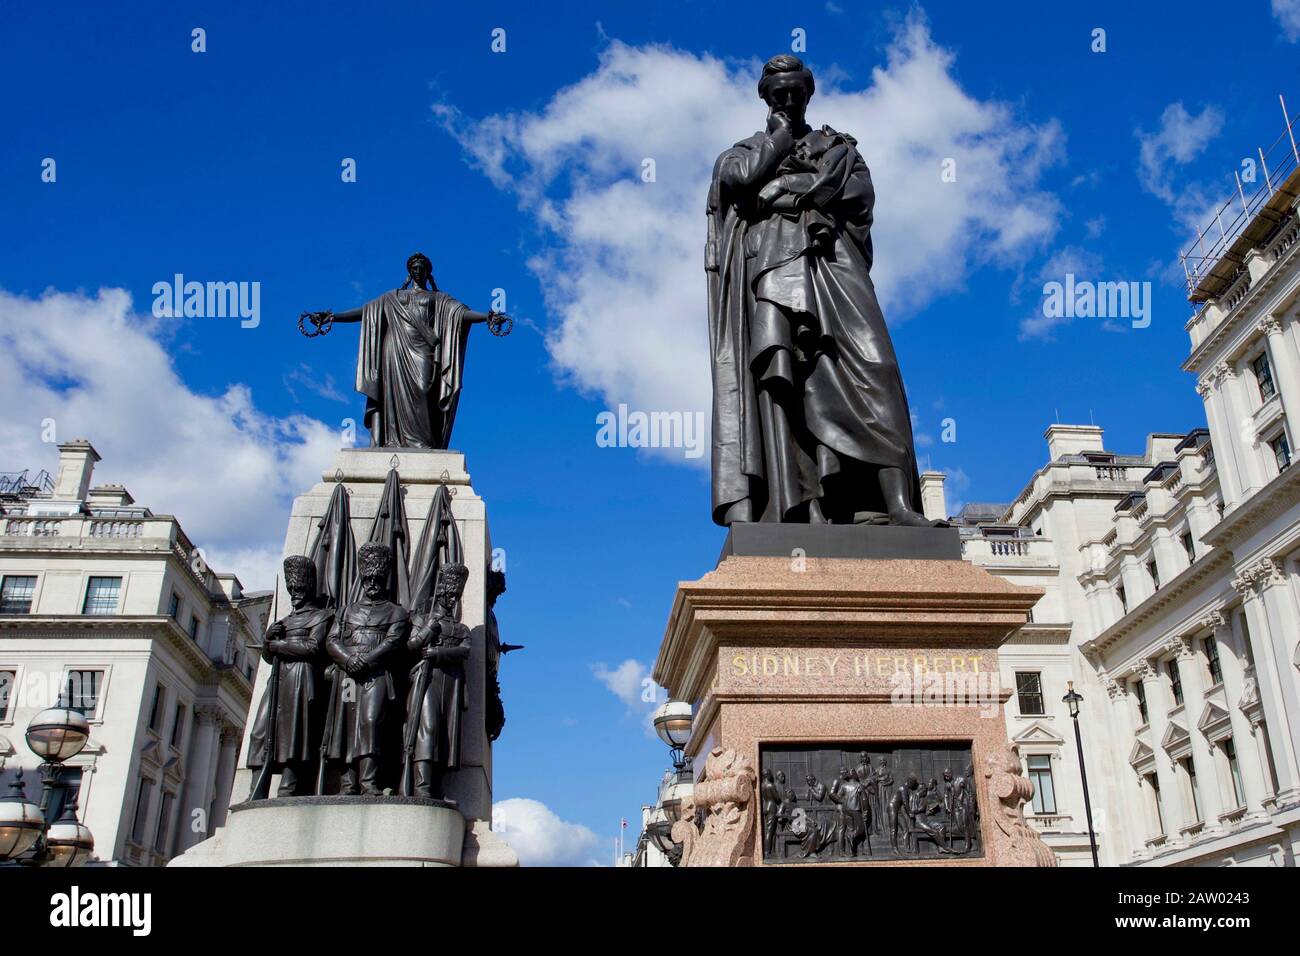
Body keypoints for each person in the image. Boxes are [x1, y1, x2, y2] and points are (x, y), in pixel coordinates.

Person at [705, 55, 929, 526]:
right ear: (766, 98)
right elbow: (740, 181)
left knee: (877, 368)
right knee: (793, 383)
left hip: (834, 264)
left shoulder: (839, 146)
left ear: (809, 93)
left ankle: (898, 504)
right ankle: (813, 507)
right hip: (772, 270)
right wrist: (780, 142)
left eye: (796, 91)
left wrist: (787, 183)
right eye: (778, 93)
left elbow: (858, 195)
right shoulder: (742, 150)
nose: (788, 99)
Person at [304, 252, 507, 448]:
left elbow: (460, 314)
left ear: (428, 272)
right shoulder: (392, 297)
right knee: (391, 398)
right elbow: (365, 312)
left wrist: (487, 317)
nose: (418, 270)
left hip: (423, 350)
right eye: (414, 268)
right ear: (409, 272)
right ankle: (392, 440)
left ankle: (423, 443)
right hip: (394, 350)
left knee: (424, 389)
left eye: (422, 268)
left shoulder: (438, 298)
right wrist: (332, 317)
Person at [325, 543, 408, 794]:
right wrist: (348, 659)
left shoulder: (397, 612)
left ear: (384, 580)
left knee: (371, 722)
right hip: (348, 674)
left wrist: (368, 660)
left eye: (377, 579)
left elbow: (393, 642)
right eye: (368, 578)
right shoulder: (346, 610)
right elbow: (332, 640)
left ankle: (369, 782)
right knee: (346, 726)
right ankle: (348, 784)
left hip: (377, 674)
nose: (372, 583)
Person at [247, 556, 332, 797]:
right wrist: (267, 640)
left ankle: (289, 786)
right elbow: (267, 656)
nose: (295, 593)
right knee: (260, 732)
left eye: (299, 589)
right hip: (277, 680)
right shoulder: (283, 622)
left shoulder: (321, 617)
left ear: (309, 588)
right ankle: (257, 789)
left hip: (301, 679)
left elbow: (314, 647)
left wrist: (277, 644)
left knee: (294, 733)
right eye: (292, 589)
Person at [402, 564, 472, 799]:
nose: (452, 599)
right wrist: (427, 632)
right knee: (428, 728)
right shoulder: (422, 620)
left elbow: (465, 651)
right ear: (439, 593)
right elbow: (410, 646)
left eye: (456, 596)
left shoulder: (461, 628)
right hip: (427, 679)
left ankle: (437, 786)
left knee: (445, 734)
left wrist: (439, 654)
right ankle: (421, 786)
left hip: (451, 683)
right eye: (448, 594)